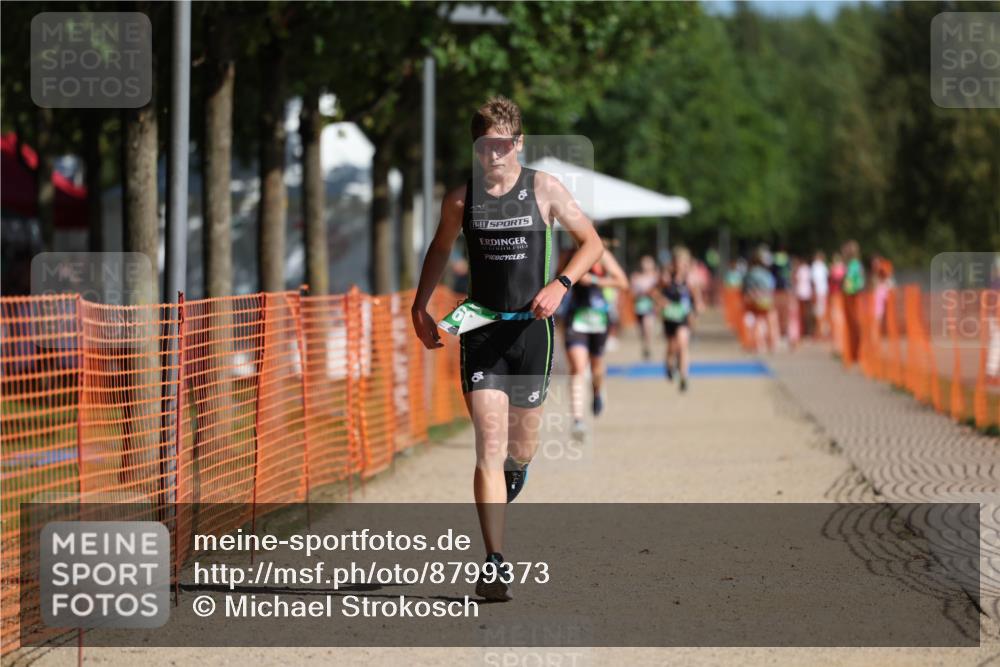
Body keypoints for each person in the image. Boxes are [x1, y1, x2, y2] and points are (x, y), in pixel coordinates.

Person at [411, 96, 603, 601]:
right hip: (481, 332)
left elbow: (592, 243)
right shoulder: (461, 199)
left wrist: (561, 283)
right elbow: (439, 248)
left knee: (521, 448)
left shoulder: (543, 189)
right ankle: (494, 562)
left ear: (517, 143)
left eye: (501, 144)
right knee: (488, 448)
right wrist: (419, 305)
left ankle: (517, 471)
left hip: (531, 336)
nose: (492, 154)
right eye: (483, 145)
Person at [561, 245, 629, 436]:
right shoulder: (567, 255)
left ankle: (597, 391)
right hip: (575, 318)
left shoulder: (601, 253)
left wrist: (593, 280)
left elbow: (623, 282)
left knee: (597, 367)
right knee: (577, 367)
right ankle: (578, 420)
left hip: (598, 318)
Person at [654, 246, 703, 392]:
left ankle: (683, 376)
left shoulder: (690, 279)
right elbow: (654, 292)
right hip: (669, 316)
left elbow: (696, 297)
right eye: (678, 262)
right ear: (673, 263)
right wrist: (661, 300)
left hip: (683, 316)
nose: (680, 266)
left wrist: (698, 307)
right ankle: (669, 365)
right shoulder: (666, 278)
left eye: (683, 263)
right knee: (672, 346)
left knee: (683, 344)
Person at [743, 246, 779, 353]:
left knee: (757, 321)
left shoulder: (750, 273)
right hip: (767, 299)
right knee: (770, 321)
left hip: (754, 299)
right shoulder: (767, 274)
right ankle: (772, 344)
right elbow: (771, 286)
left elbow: (746, 287)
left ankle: (758, 344)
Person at [630, 255, 660, 359]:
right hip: (639, 306)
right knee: (641, 330)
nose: (646, 266)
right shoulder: (636, 276)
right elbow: (632, 293)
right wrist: (640, 293)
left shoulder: (656, 277)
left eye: (648, 263)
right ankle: (645, 345)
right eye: (644, 263)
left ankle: (648, 347)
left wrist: (655, 300)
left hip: (650, 306)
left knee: (648, 327)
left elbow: (659, 292)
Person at [841, 240, 865, 364]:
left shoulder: (855, 265)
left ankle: (857, 353)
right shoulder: (850, 265)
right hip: (849, 296)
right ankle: (853, 353)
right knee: (852, 326)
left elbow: (858, 282)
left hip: (853, 296)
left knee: (855, 325)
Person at [793, 256, 813, 342]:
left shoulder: (800, 269)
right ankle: (807, 331)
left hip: (800, 293)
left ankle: (803, 331)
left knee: (801, 314)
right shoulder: (808, 269)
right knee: (807, 313)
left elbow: (796, 279)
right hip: (807, 293)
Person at [811, 251, 829, 338]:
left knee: (819, 312)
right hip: (821, 292)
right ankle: (820, 331)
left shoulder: (818, 266)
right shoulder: (820, 266)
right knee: (820, 312)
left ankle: (819, 331)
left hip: (819, 292)